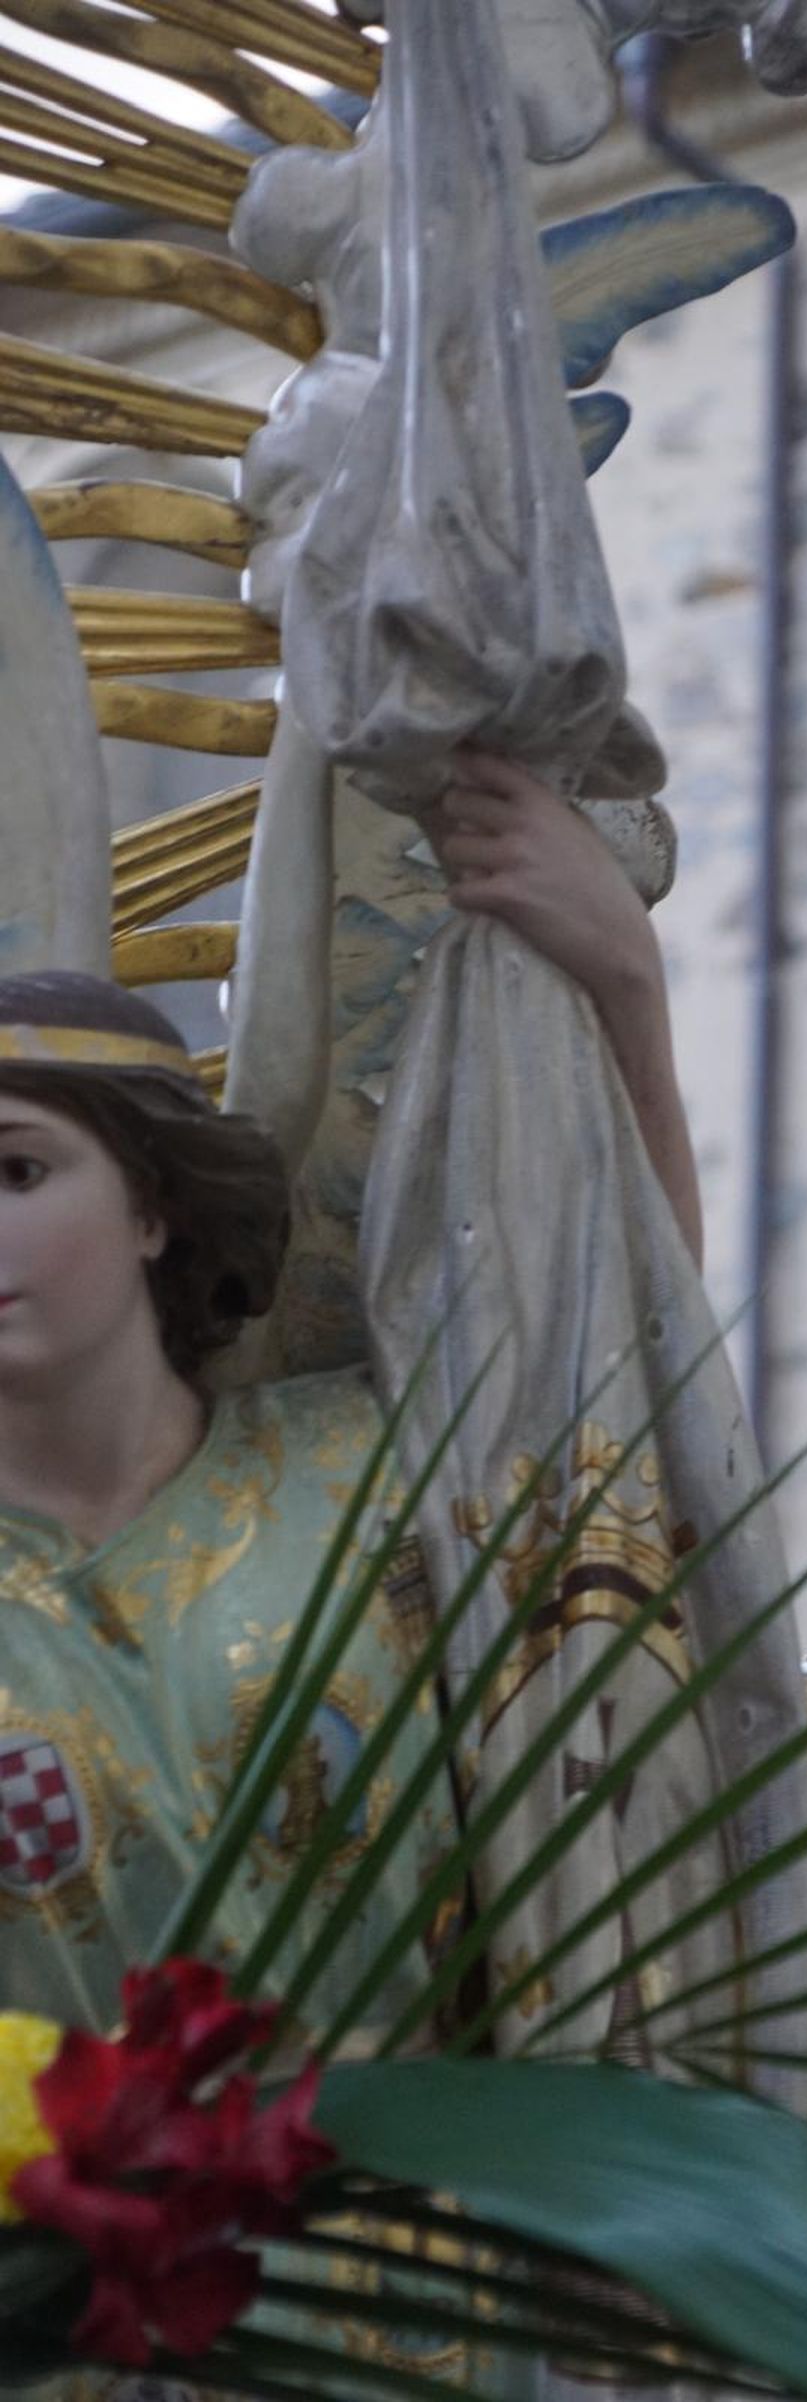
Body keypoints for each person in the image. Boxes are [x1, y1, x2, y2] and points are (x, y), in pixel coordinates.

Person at [0, 748, 705, 2039]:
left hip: (396, 2162)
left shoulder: (372, 1475)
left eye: (18, 1172)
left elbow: (628, 1389)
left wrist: (623, 982)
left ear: (153, 1207)